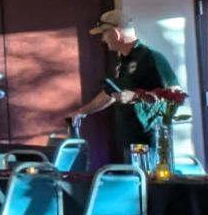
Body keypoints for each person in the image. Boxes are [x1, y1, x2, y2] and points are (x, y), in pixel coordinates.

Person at [74, 9, 183, 163]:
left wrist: (137, 96)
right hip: (129, 138)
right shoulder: (123, 63)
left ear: (115, 33)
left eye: (104, 34)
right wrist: (81, 112)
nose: (103, 40)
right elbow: (110, 95)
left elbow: (175, 94)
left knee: (147, 182)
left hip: (149, 141)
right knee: (134, 180)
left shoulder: (151, 57)